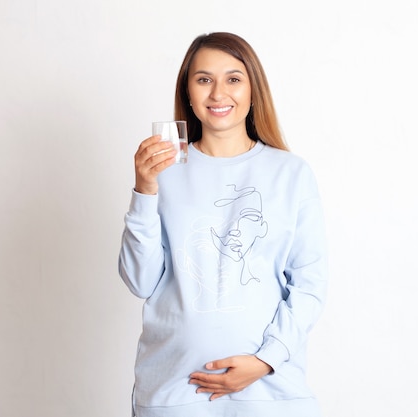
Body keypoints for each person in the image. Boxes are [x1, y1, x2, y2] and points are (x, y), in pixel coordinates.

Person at [118, 32, 329, 417]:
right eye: (203, 79)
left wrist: (266, 360)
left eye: (233, 79)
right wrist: (144, 191)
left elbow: (309, 285)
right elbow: (140, 281)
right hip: (174, 393)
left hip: (271, 394)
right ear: (188, 90)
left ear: (253, 90)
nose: (218, 93)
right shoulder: (163, 170)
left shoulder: (291, 173)